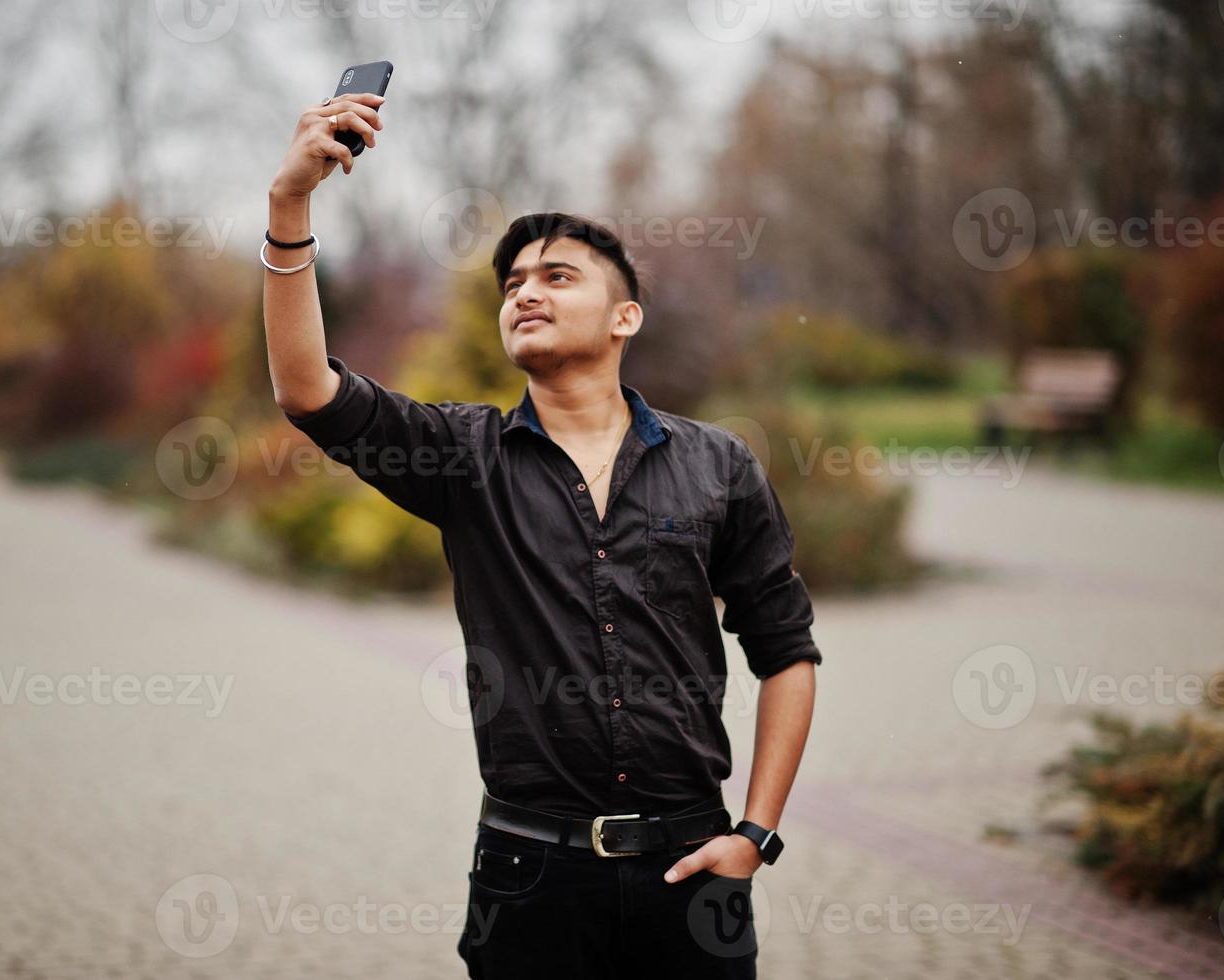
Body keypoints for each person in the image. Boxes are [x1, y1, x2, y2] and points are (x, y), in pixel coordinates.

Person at [264, 90, 820, 980]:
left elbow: (785, 649)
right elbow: (307, 391)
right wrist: (289, 207)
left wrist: (754, 833)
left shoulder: (718, 465)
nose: (524, 290)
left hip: (694, 867)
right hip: (529, 875)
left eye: (556, 276)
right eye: (512, 282)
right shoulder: (463, 459)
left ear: (623, 317)